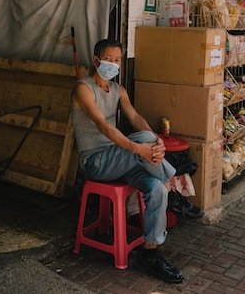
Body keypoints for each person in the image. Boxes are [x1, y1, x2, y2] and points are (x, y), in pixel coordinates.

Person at [70, 38, 184, 284]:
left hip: (119, 158)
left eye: (117, 60)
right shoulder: (83, 88)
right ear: (96, 60)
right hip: (96, 163)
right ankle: (174, 184)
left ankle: (150, 254)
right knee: (143, 140)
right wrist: (140, 148)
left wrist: (156, 141)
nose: (113, 64)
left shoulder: (119, 90)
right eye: (108, 59)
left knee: (156, 190)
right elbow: (102, 125)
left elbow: (136, 118)